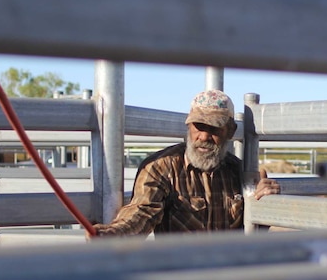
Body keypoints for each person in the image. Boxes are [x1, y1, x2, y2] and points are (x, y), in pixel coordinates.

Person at [92, 89, 280, 237]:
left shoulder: (240, 173)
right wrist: (114, 234)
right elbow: (141, 213)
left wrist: (266, 204)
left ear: (230, 131)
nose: (204, 136)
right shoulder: (160, 168)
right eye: (198, 126)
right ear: (188, 126)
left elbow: (257, 232)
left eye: (214, 128)